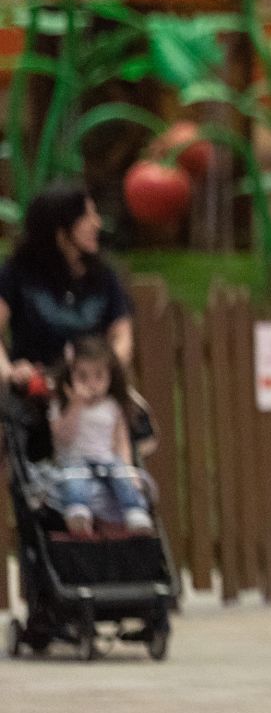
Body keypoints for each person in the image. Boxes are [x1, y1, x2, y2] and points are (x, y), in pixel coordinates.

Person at [0, 185, 135, 386]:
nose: (97, 223)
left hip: (93, 389)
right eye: (87, 217)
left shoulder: (103, 275)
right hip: (35, 389)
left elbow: (122, 334)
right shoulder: (18, 273)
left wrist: (104, 374)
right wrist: (10, 374)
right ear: (61, 230)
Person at [46, 335, 153, 537]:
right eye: (83, 377)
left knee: (121, 475)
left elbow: (121, 443)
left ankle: (135, 511)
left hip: (105, 460)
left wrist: (129, 470)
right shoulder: (61, 405)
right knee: (75, 478)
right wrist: (75, 405)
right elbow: (62, 437)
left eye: (99, 376)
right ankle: (78, 512)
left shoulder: (113, 407)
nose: (92, 384)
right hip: (74, 460)